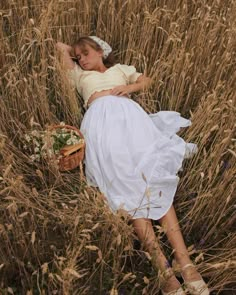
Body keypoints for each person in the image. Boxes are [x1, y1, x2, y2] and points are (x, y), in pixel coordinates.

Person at [56, 36, 210, 295]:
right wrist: (74, 50)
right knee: (127, 189)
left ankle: (185, 262)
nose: (81, 58)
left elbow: (146, 80)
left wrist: (129, 89)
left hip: (131, 119)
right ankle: (163, 269)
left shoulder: (120, 70)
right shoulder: (79, 76)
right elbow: (60, 49)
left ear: (101, 52)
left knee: (151, 178)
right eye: (78, 55)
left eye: (86, 53)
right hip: (101, 125)